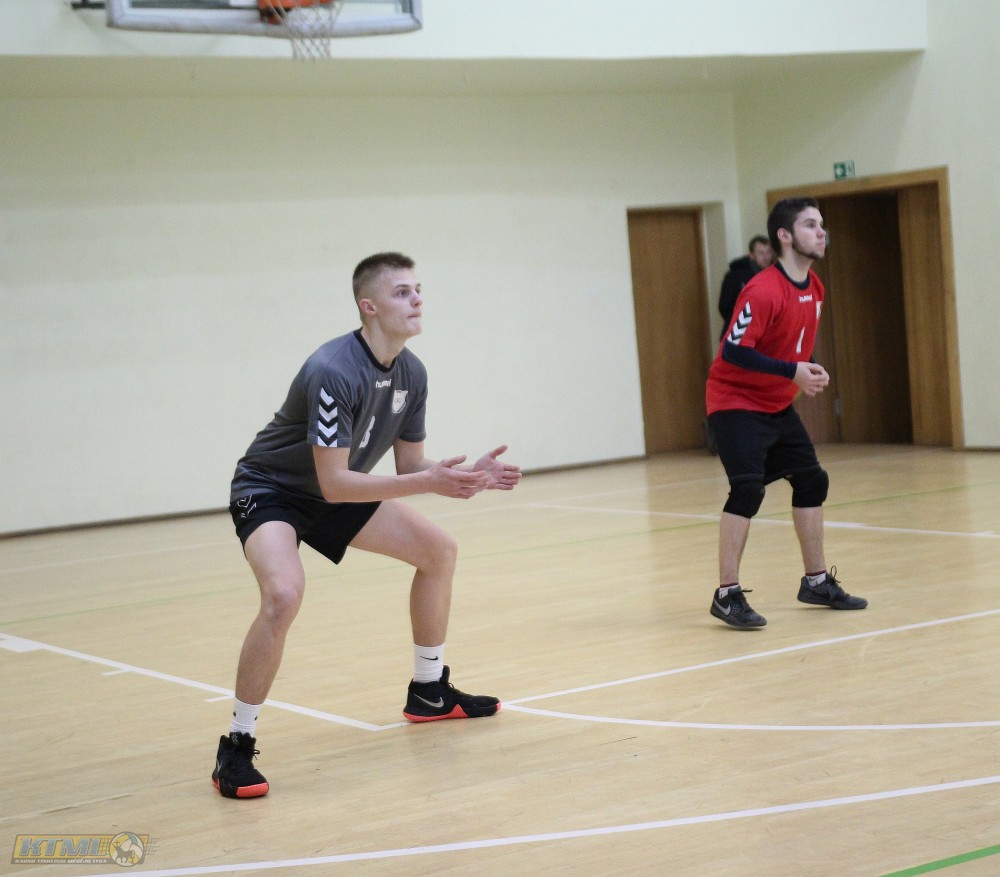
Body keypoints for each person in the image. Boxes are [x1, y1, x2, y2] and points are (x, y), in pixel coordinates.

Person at [212, 252, 522, 798]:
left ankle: (429, 691)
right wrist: (428, 484)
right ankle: (236, 744)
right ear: (369, 306)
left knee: (439, 551)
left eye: (418, 289)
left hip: (338, 486)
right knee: (283, 595)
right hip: (273, 489)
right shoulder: (333, 370)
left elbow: (410, 464)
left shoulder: (412, 372)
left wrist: (462, 475)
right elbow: (335, 484)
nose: (417, 299)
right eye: (402, 292)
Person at [705, 198, 867, 629]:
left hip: (776, 404)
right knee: (747, 489)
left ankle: (816, 582)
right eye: (810, 225)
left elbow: (792, 345)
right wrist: (791, 371)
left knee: (812, 479)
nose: (821, 232)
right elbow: (734, 351)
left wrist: (806, 367)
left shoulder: (815, 289)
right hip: (735, 402)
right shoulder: (761, 290)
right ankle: (726, 595)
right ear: (785, 235)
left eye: (821, 224)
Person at [717, 235, 773, 340]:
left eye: (768, 252)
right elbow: (724, 306)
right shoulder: (735, 275)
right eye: (761, 253)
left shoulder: (774, 274)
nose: (766, 257)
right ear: (752, 255)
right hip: (739, 332)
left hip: (766, 333)